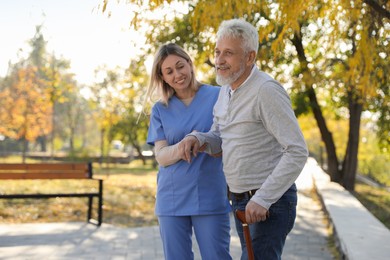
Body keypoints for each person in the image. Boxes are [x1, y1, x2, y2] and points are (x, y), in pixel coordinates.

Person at [181, 19, 309, 260]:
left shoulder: (266, 91)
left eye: (228, 53)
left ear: (250, 57)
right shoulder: (226, 90)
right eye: (218, 52)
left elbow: (297, 151)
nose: (219, 60)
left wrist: (263, 199)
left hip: (268, 203)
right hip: (241, 201)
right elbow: (221, 137)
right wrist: (199, 138)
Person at [145, 43, 232, 260]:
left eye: (180, 66)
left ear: (190, 65)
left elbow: (228, 140)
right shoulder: (160, 109)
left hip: (210, 194)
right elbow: (162, 156)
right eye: (169, 71)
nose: (177, 74)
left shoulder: (220, 95)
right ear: (163, 77)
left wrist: (200, 140)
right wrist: (185, 144)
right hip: (171, 197)